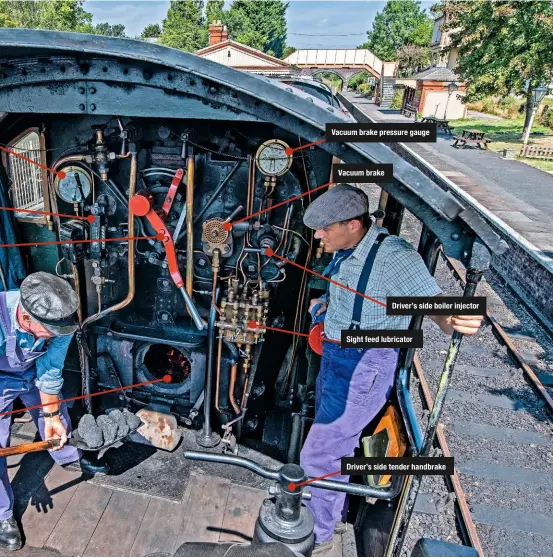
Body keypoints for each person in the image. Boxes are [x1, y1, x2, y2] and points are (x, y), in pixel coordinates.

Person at [300, 184, 483, 554]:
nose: (318, 235)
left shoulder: (394, 258)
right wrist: (325, 305)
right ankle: (326, 514)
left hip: (364, 364)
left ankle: (313, 535)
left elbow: (435, 307)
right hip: (337, 358)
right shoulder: (350, 248)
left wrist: (457, 317)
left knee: (321, 451)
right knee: (333, 446)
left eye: (325, 228)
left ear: (353, 224)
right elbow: (350, 293)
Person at [0, 272, 108, 551]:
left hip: (33, 373)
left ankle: (68, 455)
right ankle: (3, 515)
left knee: (56, 417)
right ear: (25, 319)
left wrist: (49, 418)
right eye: (50, 333)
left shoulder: (61, 324)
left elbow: (50, 372)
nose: (58, 337)